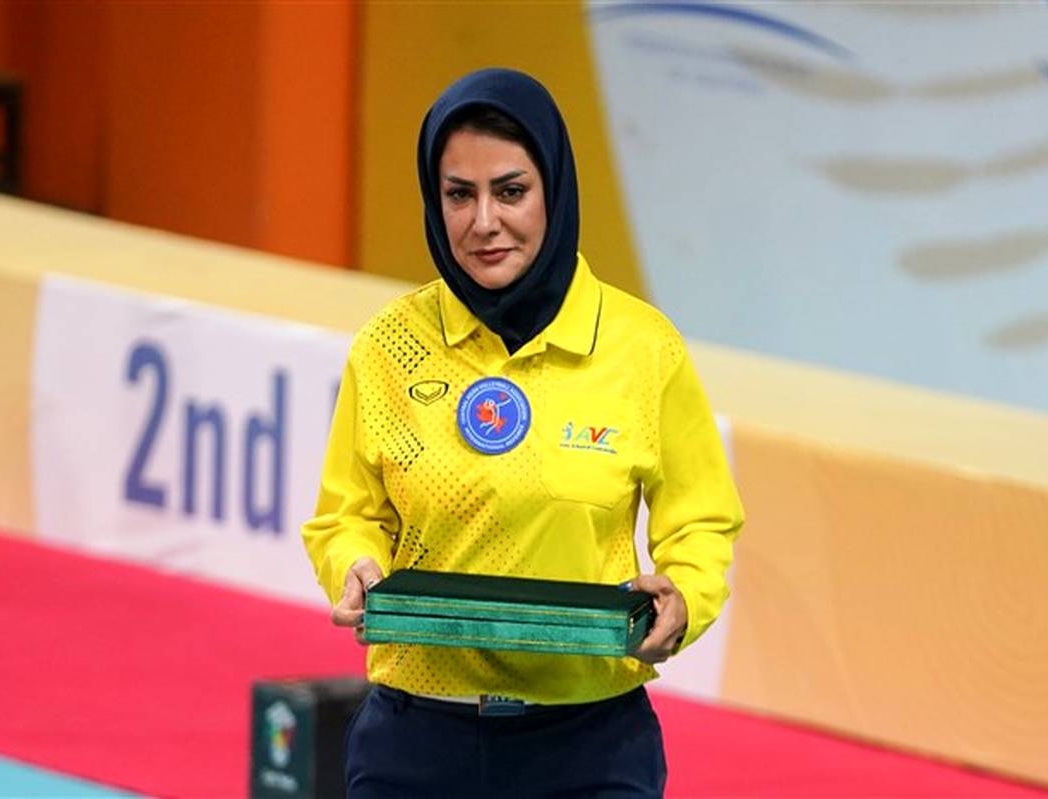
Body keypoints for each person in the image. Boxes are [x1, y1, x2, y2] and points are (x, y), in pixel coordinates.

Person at [302, 67, 744, 798]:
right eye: (459, 194)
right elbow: (346, 514)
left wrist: (685, 598)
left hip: (590, 749)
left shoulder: (643, 348)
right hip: (415, 742)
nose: (483, 222)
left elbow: (701, 520)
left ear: (555, 191)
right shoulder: (389, 346)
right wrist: (352, 563)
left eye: (510, 191)